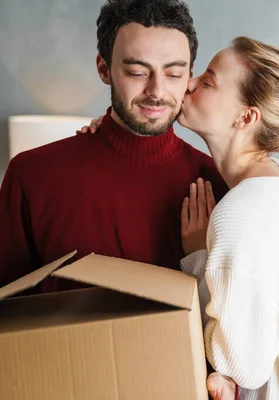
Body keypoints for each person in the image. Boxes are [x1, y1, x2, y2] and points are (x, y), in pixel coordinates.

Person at [80, 36, 279, 400]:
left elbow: (243, 367)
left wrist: (198, 258)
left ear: (246, 117)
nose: (189, 83)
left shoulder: (242, 212)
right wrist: (113, 129)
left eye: (207, 81)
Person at [0, 0, 227, 293]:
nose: (157, 92)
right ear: (104, 69)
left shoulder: (216, 183)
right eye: (136, 72)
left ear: (189, 76)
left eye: (173, 74)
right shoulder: (31, 175)